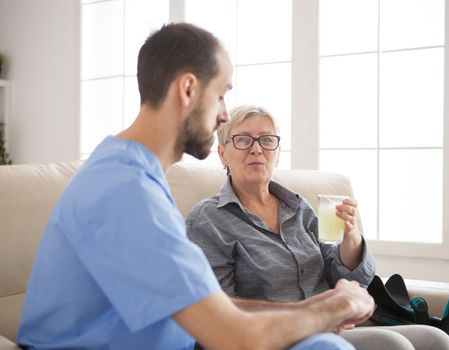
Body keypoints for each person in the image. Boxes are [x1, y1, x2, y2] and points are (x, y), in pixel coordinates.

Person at [16, 23, 374, 350]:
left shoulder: (132, 175)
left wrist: (318, 304)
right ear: (188, 89)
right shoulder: (125, 192)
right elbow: (235, 337)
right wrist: (342, 303)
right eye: (220, 95)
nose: (223, 113)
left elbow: (211, 305)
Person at [186, 104, 449, 350]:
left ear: (277, 153)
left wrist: (350, 239)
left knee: (438, 341)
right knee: (392, 344)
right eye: (243, 139)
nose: (257, 148)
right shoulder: (208, 219)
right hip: (276, 337)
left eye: (267, 140)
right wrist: (310, 315)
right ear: (223, 154)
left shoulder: (299, 209)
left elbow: (349, 282)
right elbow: (221, 312)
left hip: (333, 328)